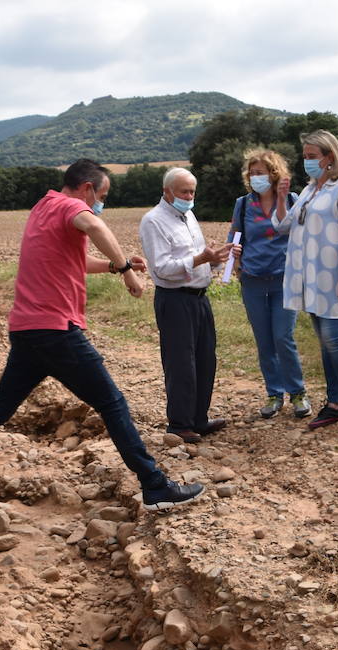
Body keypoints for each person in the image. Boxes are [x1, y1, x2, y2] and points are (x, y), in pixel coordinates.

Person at [0, 159, 202, 521]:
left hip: (27, 328)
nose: (101, 203)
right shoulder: (72, 207)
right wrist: (127, 271)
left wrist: (115, 264)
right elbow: (93, 224)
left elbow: (75, 261)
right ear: (86, 189)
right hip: (55, 330)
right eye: (102, 195)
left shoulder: (44, 207)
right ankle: (155, 485)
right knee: (112, 404)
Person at [273, 130, 338, 436]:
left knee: (334, 340)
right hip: (310, 279)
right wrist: (279, 197)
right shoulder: (310, 190)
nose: (307, 162)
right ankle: (335, 404)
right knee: (326, 345)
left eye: (313, 156)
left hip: (335, 277)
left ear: (330, 157)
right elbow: (284, 226)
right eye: (305, 156)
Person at [139, 167, 236, 444]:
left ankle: (198, 419)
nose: (190, 196)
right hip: (174, 299)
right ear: (167, 192)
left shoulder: (188, 216)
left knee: (206, 359)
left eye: (192, 191)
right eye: (184, 191)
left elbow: (199, 259)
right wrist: (199, 260)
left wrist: (218, 258)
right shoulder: (153, 221)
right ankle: (179, 424)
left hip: (199, 297)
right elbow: (162, 268)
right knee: (181, 363)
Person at [228, 149, 309, 420]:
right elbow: (235, 237)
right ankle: (274, 394)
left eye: (260, 172)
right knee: (264, 341)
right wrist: (233, 265)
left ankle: (297, 393)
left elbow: (302, 235)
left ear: (273, 174)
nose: (255, 178)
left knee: (283, 337)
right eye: (252, 173)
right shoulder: (243, 204)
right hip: (252, 281)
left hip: (284, 279)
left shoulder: (292, 199)